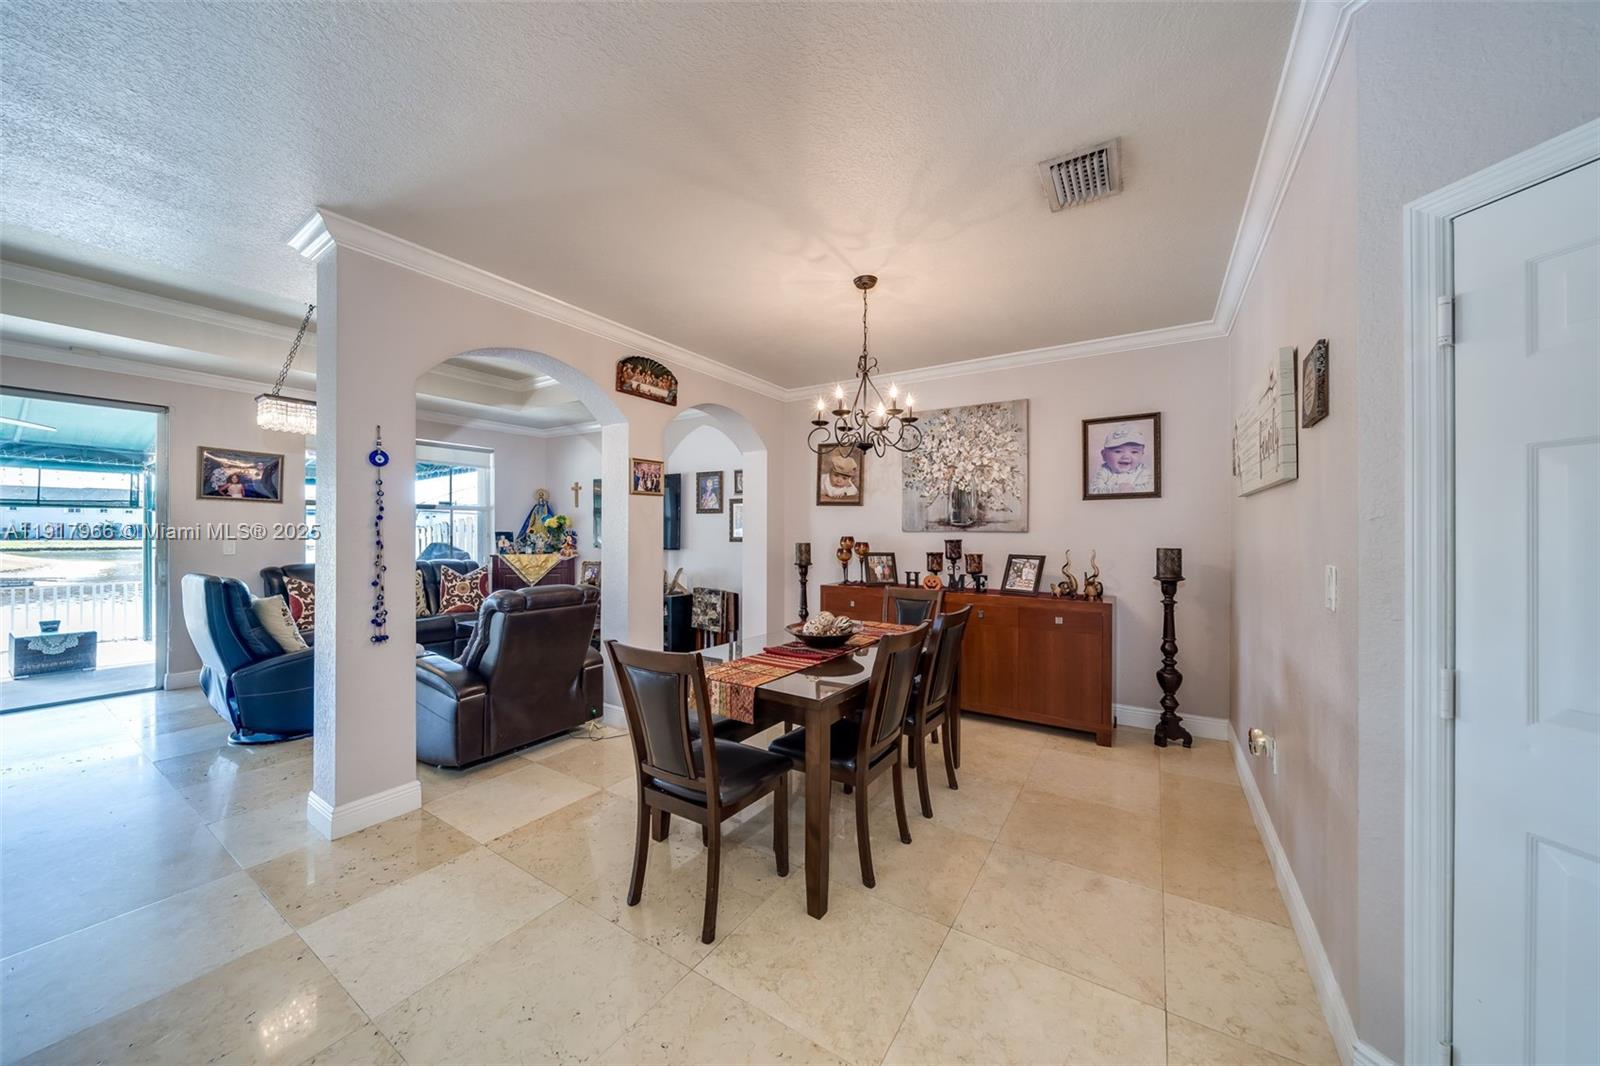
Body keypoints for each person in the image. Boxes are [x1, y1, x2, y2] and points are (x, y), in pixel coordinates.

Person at [1090, 424, 1154, 494]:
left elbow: (1151, 488)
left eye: (1134, 452)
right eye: (1118, 451)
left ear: (1142, 455)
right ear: (1104, 455)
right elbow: (1093, 490)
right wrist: (1117, 489)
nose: (1126, 457)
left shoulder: (1143, 471)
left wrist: (1133, 490)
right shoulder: (1104, 471)